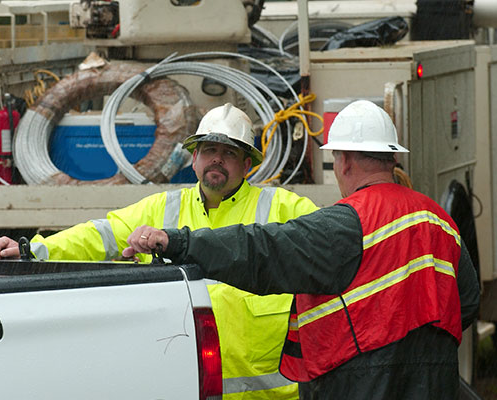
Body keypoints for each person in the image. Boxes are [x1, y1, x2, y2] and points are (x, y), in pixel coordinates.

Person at [123, 100, 481, 400]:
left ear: (344, 161)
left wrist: (180, 242)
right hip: (435, 380)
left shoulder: (345, 224)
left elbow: (260, 251)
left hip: (359, 382)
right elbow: (465, 300)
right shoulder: (437, 219)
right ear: (391, 159)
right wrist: (417, 348)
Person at [0, 103, 318, 399]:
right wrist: (32, 251)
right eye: (209, 149)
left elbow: (331, 246)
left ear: (247, 164)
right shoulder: (164, 208)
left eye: (229, 153)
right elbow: (100, 235)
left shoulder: (285, 207)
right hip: (186, 386)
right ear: (195, 157)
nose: (217, 158)